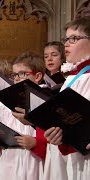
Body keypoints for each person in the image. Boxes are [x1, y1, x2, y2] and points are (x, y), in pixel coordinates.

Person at [44, 16, 90, 180]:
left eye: (74, 38)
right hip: (65, 156)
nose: (67, 44)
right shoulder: (72, 78)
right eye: (66, 39)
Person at [0, 52, 47, 180]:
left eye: (23, 74)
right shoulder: (11, 101)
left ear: (38, 76)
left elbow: (52, 137)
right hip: (10, 161)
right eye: (14, 75)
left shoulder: (44, 101)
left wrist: (35, 143)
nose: (17, 78)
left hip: (32, 161)